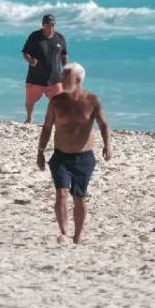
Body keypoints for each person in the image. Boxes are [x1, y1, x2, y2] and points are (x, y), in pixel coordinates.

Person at [36, 63, 111, 244]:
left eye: (65, 76)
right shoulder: (56, 101)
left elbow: (103, 125)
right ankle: (64, 232)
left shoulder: (92, 100)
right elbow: (46, 128)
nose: (61, 79)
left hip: (84, 157)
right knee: (61, 193)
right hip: (61, 155)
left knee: (79, 197)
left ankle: (78, 235)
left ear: (77, 79)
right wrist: (40, 151)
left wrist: (108, 145)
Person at [21, 13, 68, 123]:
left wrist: (66, 72)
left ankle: (56, 120)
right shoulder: (35, 36)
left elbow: (64, 56)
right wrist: (30, 60)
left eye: (52, 25)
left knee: (59, 102)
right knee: (30, 101)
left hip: (55, 78)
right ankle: (29, 117)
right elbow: (25, 52)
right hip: (36, 78)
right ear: (43, 25)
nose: (50, 27)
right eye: (47, 24)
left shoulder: (60, 38)